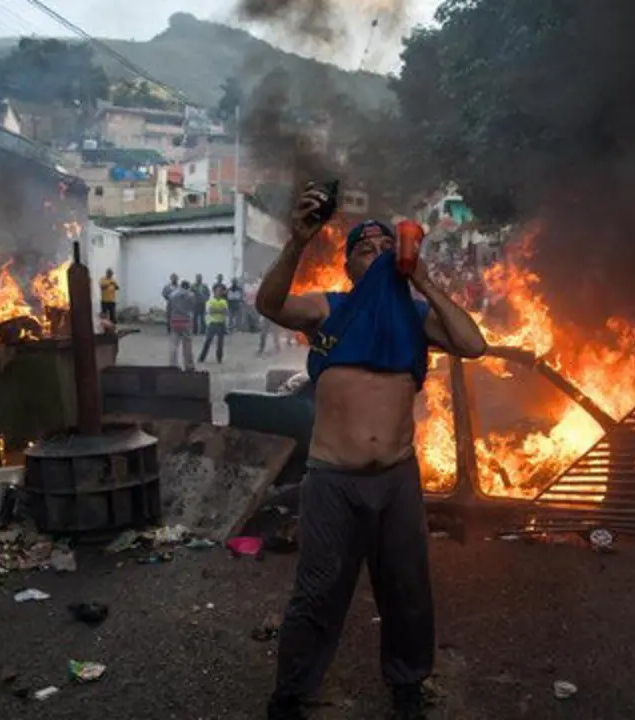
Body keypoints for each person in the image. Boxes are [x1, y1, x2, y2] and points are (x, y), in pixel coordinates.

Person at [256, 184, 488, 720]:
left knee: (408, 593)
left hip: (397, 481)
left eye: (389, 245)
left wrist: (423, 278)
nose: (379, 252)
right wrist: (298, 241)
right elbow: (270, 305)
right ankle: (290, 694)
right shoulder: (329, 308)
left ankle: (407, 687)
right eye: (366, 248)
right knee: (317, 593)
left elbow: (474, 345)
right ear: (349, 267)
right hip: (333, 481)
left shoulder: (417, 315)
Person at [167, 280, 196, 370]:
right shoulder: (191, 295)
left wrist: (169, 320)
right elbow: (193, 307)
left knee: (174, 344)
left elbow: (169, 308)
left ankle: (173, 364)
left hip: (175, 320)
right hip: (186, 321)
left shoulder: (172, 295)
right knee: (187, 344)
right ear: (188, 287)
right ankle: (189, 365)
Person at [198, 285, 229, 363]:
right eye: (218, 291)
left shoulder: (224, 301)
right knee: (208, 341)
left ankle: (219, 358)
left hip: (221, 323)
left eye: (221, 291)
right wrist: (220, 310)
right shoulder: (210, 301)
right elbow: (211, 311)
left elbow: (225, 312)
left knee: (220, 343)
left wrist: (217, 310)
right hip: (212, 323)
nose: (220, 292)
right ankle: (202, 358)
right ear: (214, 292)